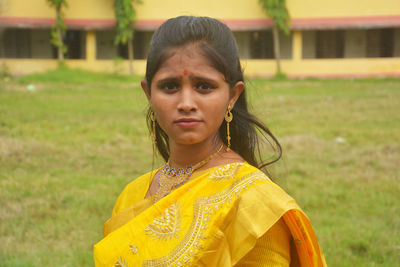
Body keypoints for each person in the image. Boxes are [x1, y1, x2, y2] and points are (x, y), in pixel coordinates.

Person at [94, 16, 327, 267]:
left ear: (232, 96)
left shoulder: (255, 206)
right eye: (170, 86)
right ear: (148, 93)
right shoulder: (132, 195)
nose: (186, 103)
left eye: (204, 86)